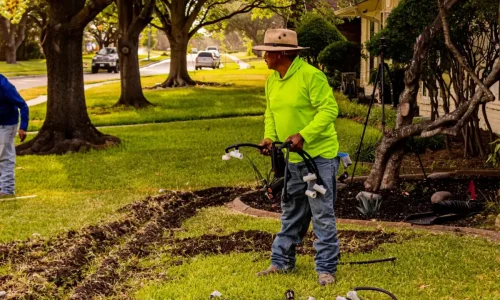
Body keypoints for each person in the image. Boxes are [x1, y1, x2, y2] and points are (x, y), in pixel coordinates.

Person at [254, 29, 340, 286]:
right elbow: (271, 112)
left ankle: (326, 269)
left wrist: (304, 134)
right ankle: (281, 262)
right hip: (292, 158)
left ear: (282, 53)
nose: (264, 57)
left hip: (319, 157)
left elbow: (329, 110)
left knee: (321, 213)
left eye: (267, 52)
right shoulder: (272, 80)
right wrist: (270, 138)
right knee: (291, 211)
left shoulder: (311, 76)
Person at [0, 74, 29, 197]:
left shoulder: (4, 86)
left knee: (5, 156)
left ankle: (7, 190)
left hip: (7, 124)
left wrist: (23, 127)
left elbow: (23, 105)